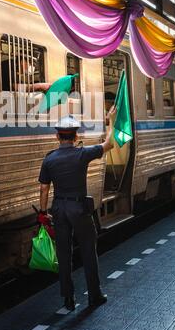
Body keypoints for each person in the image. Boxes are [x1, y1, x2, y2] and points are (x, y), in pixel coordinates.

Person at [37, 110, 116, 311]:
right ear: (76, 136)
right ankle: (94, 296)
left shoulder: (49, 159)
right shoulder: (82, 154)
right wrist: (111, 121)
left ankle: (68, 299)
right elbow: (110, 144)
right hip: (79, 208)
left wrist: (43, 212)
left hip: (59, 209)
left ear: (57, 136)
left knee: (64, 254)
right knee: (89, 251)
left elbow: (44, 188)